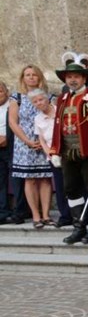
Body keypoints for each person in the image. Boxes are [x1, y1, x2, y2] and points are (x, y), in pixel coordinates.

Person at [51, 62, 88, 244]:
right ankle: (79, 226)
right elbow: (57, 126)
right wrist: (55, 150)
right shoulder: (62, 99)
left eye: (76, 77)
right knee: (71, 189)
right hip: (68, 152)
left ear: (84, 78)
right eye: (69, 77)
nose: (72, 80)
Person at [9, 65, 53, 228]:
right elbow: (13, 122)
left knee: (45, 178)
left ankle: (46, 215)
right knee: (30, 179)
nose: (31, 77)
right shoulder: (17, 97)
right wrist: (27, 140)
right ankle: (35, 215)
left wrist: (44, 142)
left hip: (45, 142)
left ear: (39, 77)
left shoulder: (49, 96)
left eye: (34, 74)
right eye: (27, 75)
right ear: (23, 78)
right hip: (24, 143)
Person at [23, 90, 55, 227]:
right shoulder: (38, 118)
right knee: (31, 180)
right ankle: (38, 217)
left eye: (41, 100)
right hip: (51, 155)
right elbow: (41, 138)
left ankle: (64, 216)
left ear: (47, 98)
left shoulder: (58, 110)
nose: (39, 103)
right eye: (35, 102)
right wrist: (49, 153)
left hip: (65, 152)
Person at [0, 82, 14, 224]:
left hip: (11, 147)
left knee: (17, 180)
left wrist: (6, 138)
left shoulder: (12, 106)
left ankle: (21, 210)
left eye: (0, 91)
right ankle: (3, 212)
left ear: (6, 92)